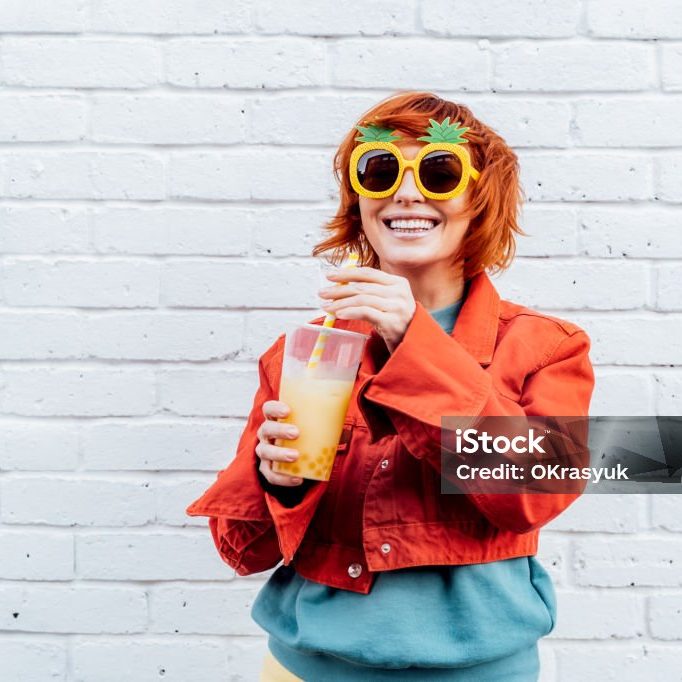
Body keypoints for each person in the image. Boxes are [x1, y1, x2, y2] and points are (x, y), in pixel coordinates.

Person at [186, 91, 595, 681]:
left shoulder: (547, 348)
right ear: (359, 203)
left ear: (479, 201)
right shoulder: (305, 354)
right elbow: (244, 549)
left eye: (438, 171)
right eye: (380, 172)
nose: (407, 193)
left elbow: (532, 493)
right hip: (304, 670)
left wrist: (413, 337)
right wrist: (282, 483)